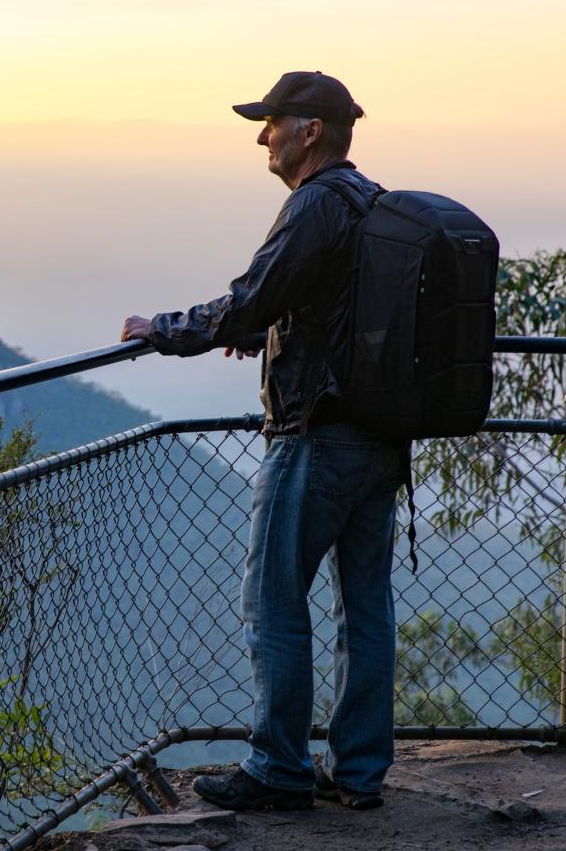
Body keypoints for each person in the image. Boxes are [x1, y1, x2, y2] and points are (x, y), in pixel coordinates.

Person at [121, 71, 405, 812]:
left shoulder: (314, 204)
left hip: (317, 433)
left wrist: (165, 330)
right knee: (364, 607)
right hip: (380, 435)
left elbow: (255, 295)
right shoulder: (369, 201)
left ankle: (279, 767)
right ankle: (360, 773)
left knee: (272, 599)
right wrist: (265, 329)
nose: (262, 135)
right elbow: (309, 305)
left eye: (273, 120)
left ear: (311, 131)